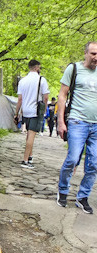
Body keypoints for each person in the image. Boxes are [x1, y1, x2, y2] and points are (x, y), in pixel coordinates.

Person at [56, 41, 97, 214]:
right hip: (77, 122)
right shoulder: (73, 69)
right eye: (93, 53)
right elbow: (62, 95)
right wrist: (60, 121)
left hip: (96, 126)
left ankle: (82, 197)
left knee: (94, 163)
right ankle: (63, 190)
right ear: (86, 53)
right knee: (73, 159)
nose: (96, 57)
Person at [14, 59, 49, 168]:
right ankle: (25, 161)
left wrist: (17, 113)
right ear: (37, 67)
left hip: (25, 110)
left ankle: (30, 155)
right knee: (31, 135)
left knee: (29, 134)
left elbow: (20, 99)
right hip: (35, 111)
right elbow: (46, 97)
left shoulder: (22, 81)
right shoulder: (41, 80)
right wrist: (44, 110)